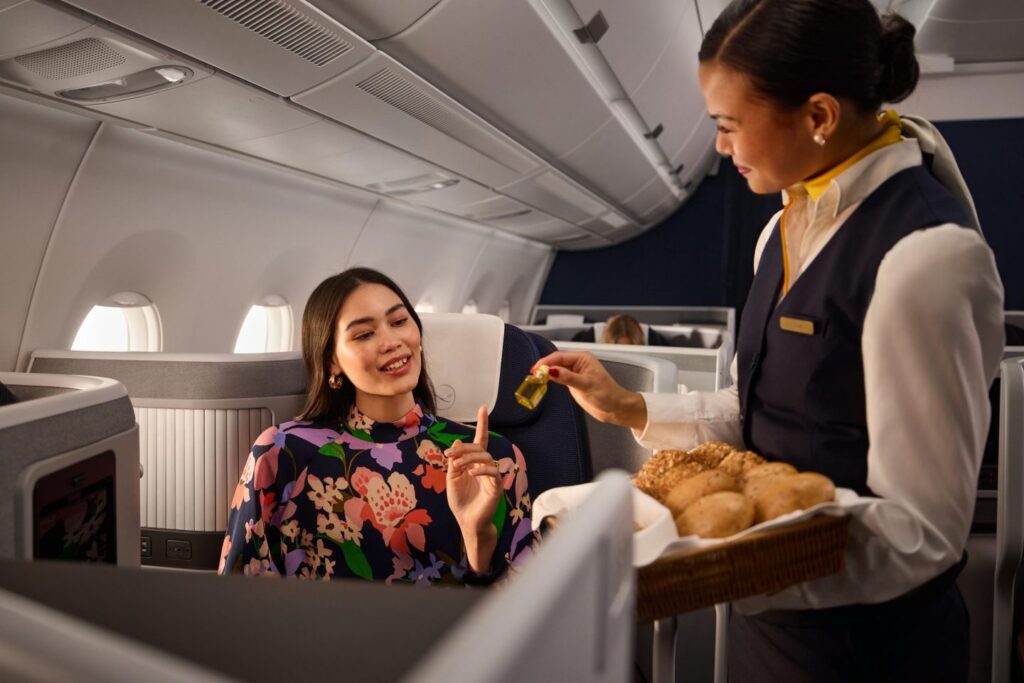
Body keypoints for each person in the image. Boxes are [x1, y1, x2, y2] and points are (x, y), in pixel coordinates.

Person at [534, 0, 1004, 680]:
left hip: (865, 653)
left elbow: (922, 536)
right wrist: (632, 409)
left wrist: (712, 566)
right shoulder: (780, 230)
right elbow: (768, 414)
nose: (721, 147)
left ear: (818, 117)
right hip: (772, 636)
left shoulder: (924, 260)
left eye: (728, 125)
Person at [219, 267, 534, 584]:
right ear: (332, 360)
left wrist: (477, 535)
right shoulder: (282, 453)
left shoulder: (493, 458)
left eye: (399, 322)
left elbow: (526, 607)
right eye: (364, 334)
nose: (391, 341)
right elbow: (239, 599)